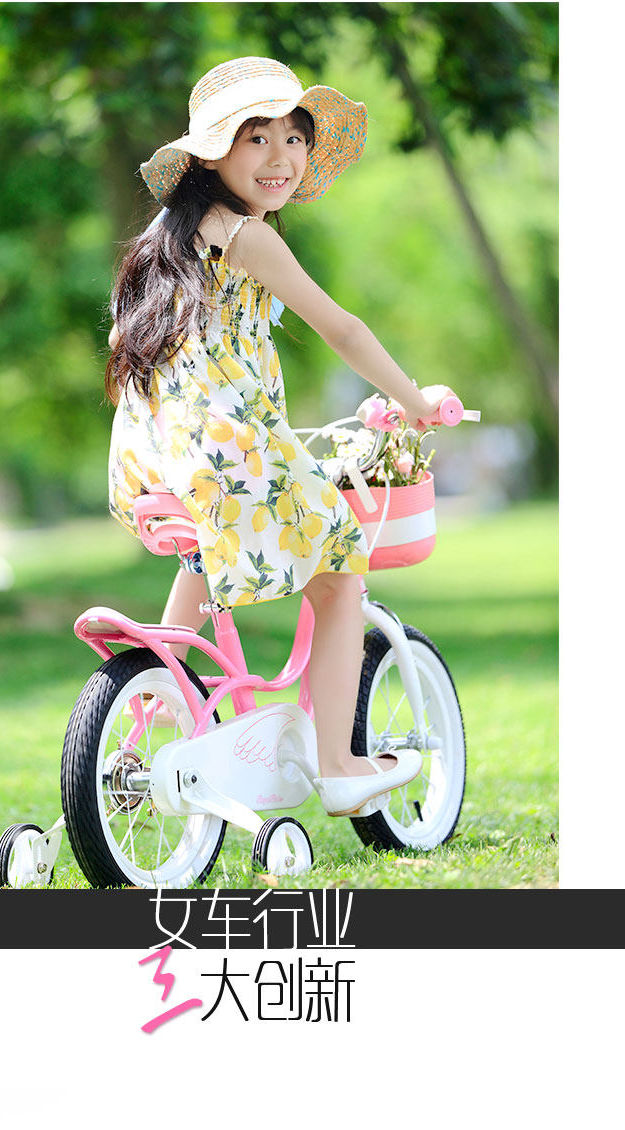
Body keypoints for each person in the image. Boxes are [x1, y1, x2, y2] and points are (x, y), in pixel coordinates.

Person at [106, 56, 453, 818]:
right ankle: (339, 764)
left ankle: (142, 726)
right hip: (226, 449)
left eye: (294, 138)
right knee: (341, 569)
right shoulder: (245, 237)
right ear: (211, 156)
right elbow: (342, 328)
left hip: (161, 453)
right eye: (255, 138)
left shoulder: (168, 239)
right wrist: (415, 401)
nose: (281, 157)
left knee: (202, 561)